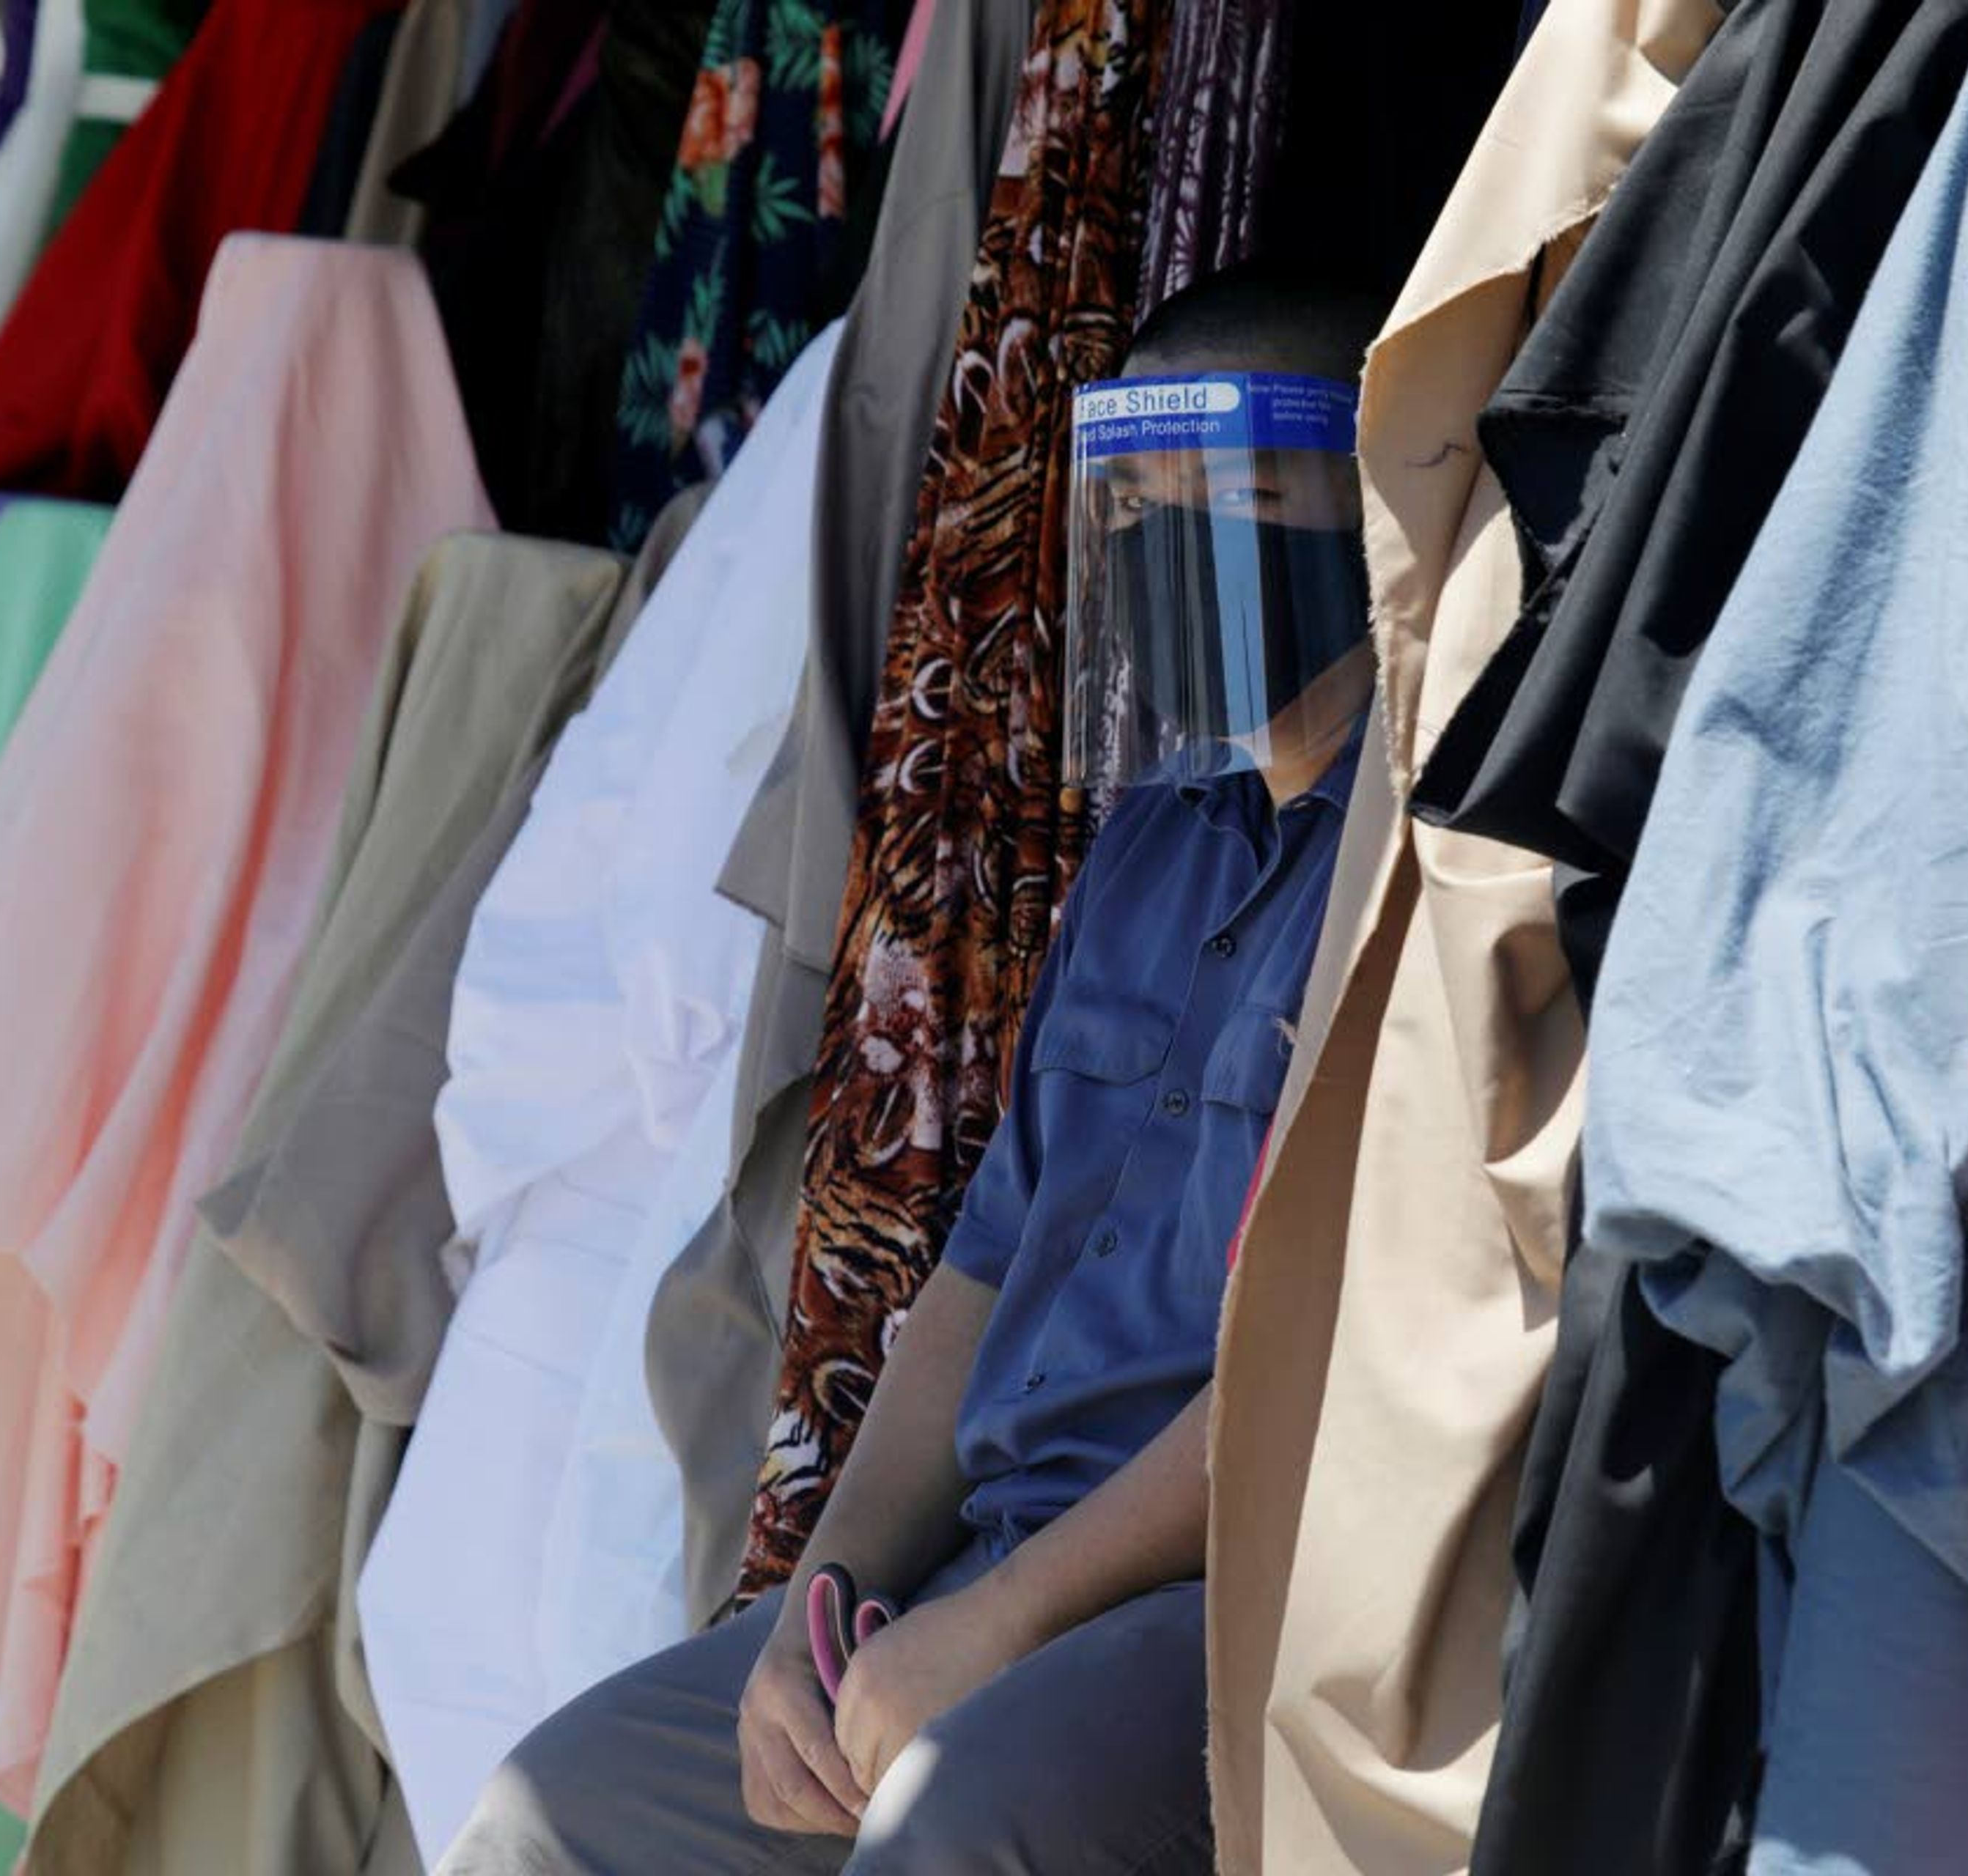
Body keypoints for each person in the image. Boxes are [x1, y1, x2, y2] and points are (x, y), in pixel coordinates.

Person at [437, 265, 1387, 1875]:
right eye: (1133, 503)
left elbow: (1320, 1357)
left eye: (1225, 495)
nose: (1171, 545)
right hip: (987, 1564)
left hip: (1224, 1599)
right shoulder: (1152, 839)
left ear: (1369, 497)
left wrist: (1000, 1621)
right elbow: (981, 1273)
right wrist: (820, 1608)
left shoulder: (1414, 863)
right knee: (554, 1809)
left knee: (952, 1821)